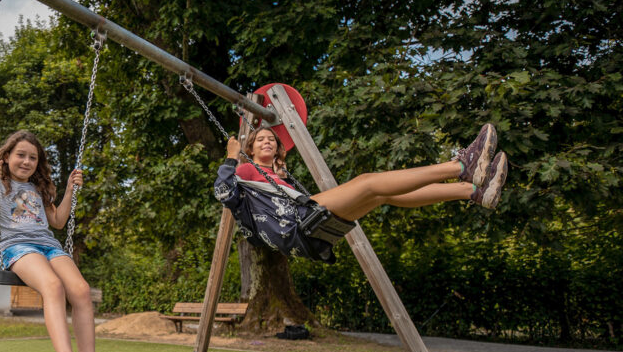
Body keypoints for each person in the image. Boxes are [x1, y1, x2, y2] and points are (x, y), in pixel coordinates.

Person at [0, 129, 116, 352]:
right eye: (21, 155)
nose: (26, 161)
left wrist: (70, 190)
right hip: (18, 247)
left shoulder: (39, 189)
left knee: (81, 290)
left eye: (33, 157)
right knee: (53, 286)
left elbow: (57, 221)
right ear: (7, 156)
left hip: (49, 245)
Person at [214, 123, 508, 261]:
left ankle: (471, 190)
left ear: (279, 148)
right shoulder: (245, 171)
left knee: (383, 194)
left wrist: (279, 179)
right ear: (249, 149)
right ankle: (460, 166)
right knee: (368, 181)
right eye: (260, 140)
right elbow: (223, 193)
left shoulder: (278, 177)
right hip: (297, 227)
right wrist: (231, 156)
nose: (267, 142)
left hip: (307, 231)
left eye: (272, 140)